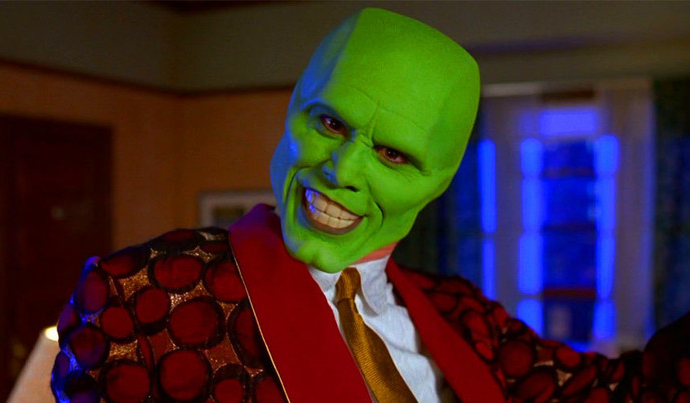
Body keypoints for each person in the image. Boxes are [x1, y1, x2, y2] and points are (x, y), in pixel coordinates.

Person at [51, 8, 690, 403]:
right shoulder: (140, 296)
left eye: (393, 156)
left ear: (440, 182)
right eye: (330, 123)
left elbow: (634, 393)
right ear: (294, 109)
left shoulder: (466, 319)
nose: (341, 171)